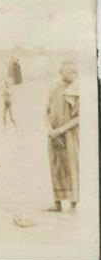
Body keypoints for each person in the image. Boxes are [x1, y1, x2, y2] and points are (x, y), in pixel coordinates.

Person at [44, 60, 79, 213]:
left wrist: (61, 130)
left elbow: (79, 118)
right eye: (70, 71)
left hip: (70, 134)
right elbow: (45, 113)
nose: (73, 74)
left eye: (75, 72)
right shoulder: (53, 89)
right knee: (55, 166)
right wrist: (52, 131)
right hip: (53, 135)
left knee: (71, 165)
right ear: (62, 72)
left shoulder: (76, 90)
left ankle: (73, 204)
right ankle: (57, 203)